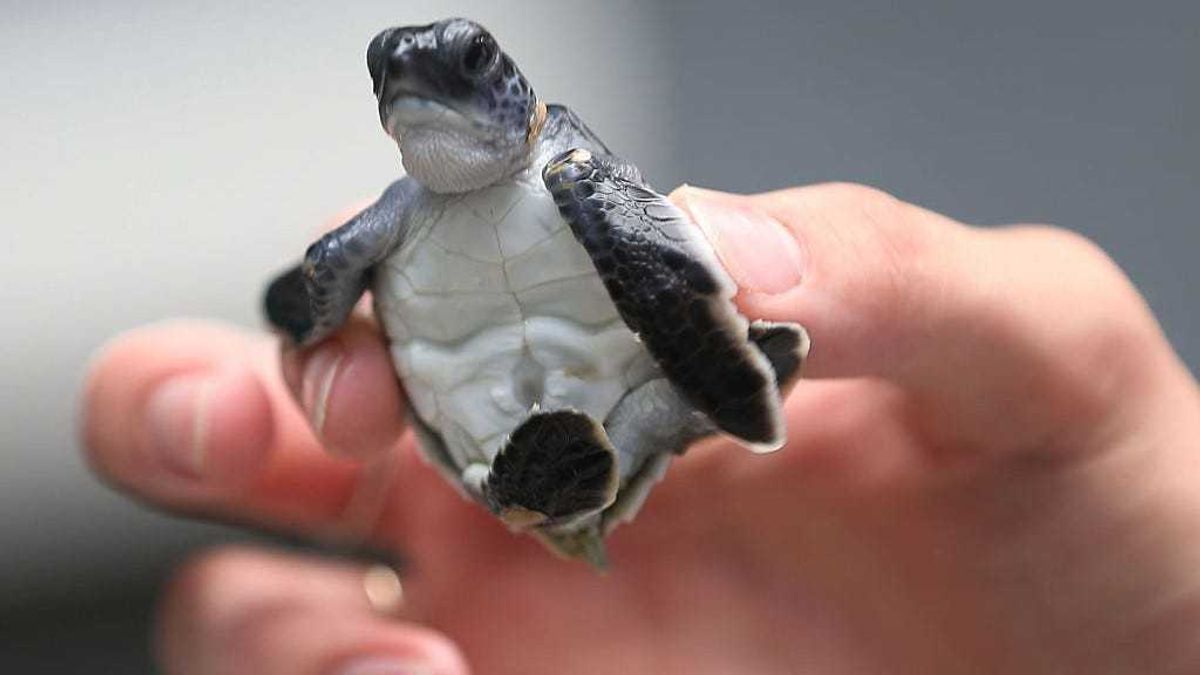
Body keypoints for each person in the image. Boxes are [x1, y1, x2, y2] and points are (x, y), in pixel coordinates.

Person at [81, 183, 1200, 674]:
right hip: (484, 448)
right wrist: (307, 310)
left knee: (661, 369)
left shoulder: (561, 165)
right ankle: (594, 457)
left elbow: (659, 267)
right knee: (627, 409)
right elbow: (312, 296)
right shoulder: (399, 212)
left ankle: (643, 431)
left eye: (461, 72)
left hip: (588, 414)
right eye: (400, 85)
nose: (427, 96)